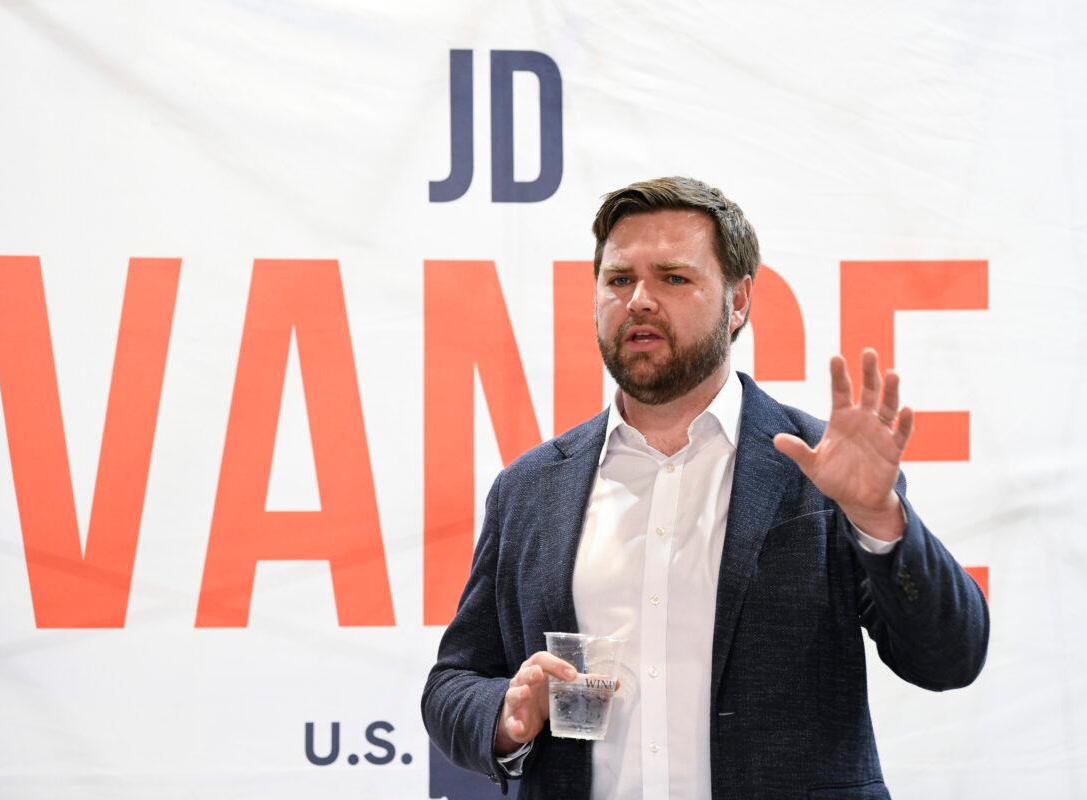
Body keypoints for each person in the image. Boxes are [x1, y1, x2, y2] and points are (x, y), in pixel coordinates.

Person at [422, 176, 989, 800]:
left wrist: (878, 516)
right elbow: (453, 684)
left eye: (673, 277)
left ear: (738, 300)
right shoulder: (530, 488)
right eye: (618, 280)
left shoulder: (822, 470)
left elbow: (948, 658)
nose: (639, 300)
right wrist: (506, 711)